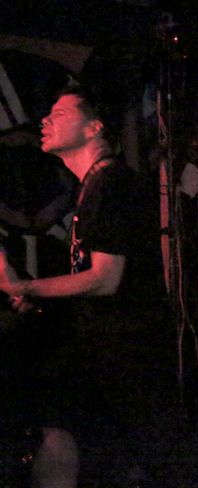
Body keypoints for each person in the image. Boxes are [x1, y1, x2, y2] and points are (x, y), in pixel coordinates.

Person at [0, 84, 174, 488]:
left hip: (127, 353)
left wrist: (24, 286)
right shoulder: (92, 186)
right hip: (107, 350)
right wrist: (41, 300)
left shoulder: (112, 184)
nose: (45, 121)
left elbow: (104, 279)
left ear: (94, 127)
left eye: (59, 114)